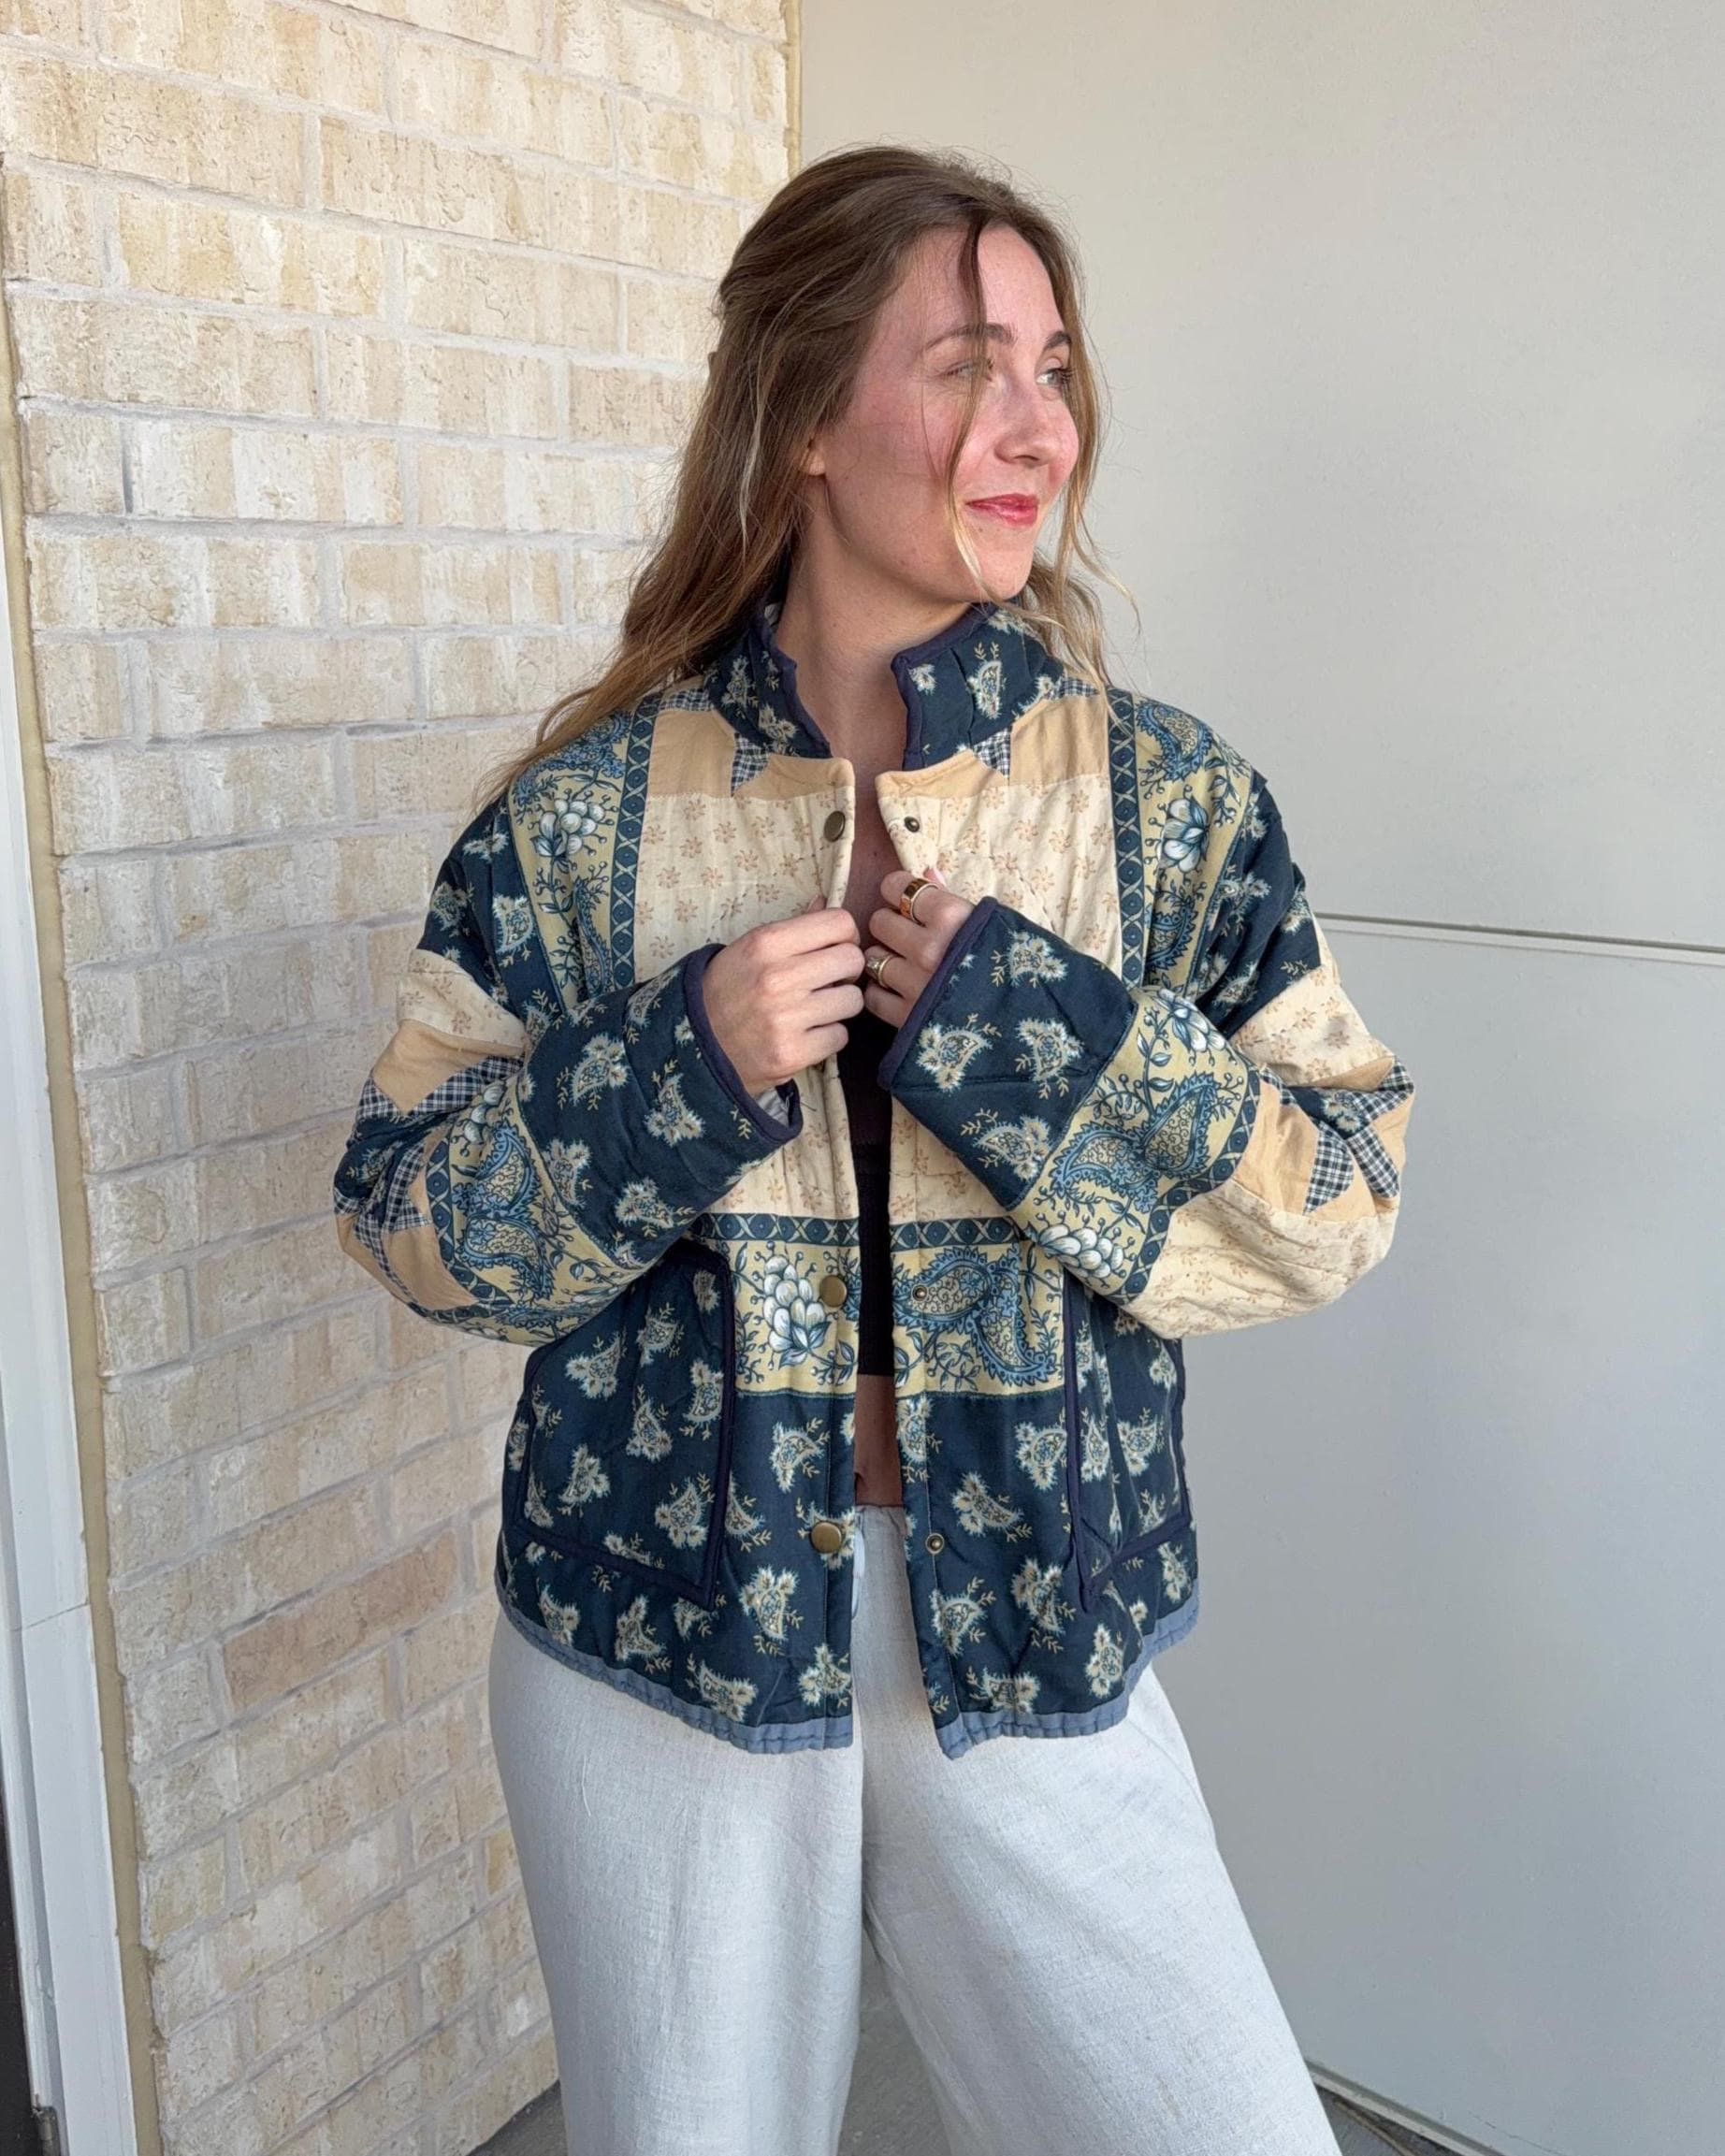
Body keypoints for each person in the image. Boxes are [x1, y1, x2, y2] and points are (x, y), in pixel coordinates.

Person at [333, 144, 1415, 2156]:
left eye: (1054, 367)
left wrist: (1033, 1036)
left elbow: (1338, 1192)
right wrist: (681, 1061)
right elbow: (405, 1214)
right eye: (967, 365)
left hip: (1027, 1622)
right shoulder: (583, 824)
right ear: (808, 419)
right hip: (660, 1642)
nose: (1038, 426)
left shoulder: (1166, 807)